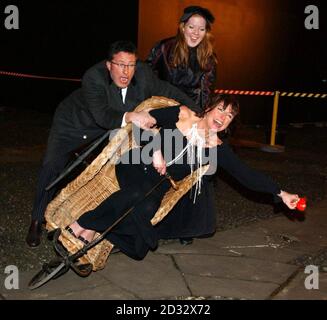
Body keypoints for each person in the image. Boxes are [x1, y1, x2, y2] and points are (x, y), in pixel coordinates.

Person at [65, 94, 300, 260]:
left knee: (140, 246)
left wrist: (281, 193)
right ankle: (82, 223)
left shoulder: (217, 148)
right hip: (138, 163)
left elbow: (247, 175)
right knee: (137, 196)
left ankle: (98, 227)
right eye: (221, 109)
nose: (223, 116)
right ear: (208, 108)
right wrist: (156, 150)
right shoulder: (183, 115)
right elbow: (143, 122)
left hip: (158, 185)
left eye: (229, 115)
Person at [26, 40, 201, 248]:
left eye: (131, 65)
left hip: (118, 126)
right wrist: (132, 116)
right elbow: (103, 115)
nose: (126, 72)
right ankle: (37, 221)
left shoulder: (143, 74)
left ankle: (111, 223)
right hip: (76, 124)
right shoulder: (93, 77)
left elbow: (168, 90)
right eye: (120, 65)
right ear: (108, 65)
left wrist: (197, 112)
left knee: (128, 164)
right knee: (52, 164)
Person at [146, 5, 218, 244]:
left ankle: (185, 228)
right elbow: (146, 76)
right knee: (160, 170)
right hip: (164, 112)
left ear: (206, 31)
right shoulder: (164, 48)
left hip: (191, 117)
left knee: (195, 171)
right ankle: (152, 222)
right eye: (191, 27)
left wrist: (203, 125)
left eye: (201, 28)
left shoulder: (209, 58)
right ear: (182, 26)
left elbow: (206, 93)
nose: (195, 33)